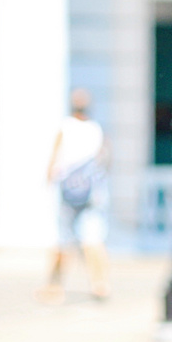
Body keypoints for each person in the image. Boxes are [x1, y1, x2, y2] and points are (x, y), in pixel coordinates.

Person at [39, 88, 110, 303]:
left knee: (64, 240)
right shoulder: (96, 129)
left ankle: (54, 286)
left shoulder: (65, 127)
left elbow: (54, 156)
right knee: (93, 239)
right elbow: (106, 158)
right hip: (92, 191)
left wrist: (48, 180)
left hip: (69, 191)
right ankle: (100, 284)